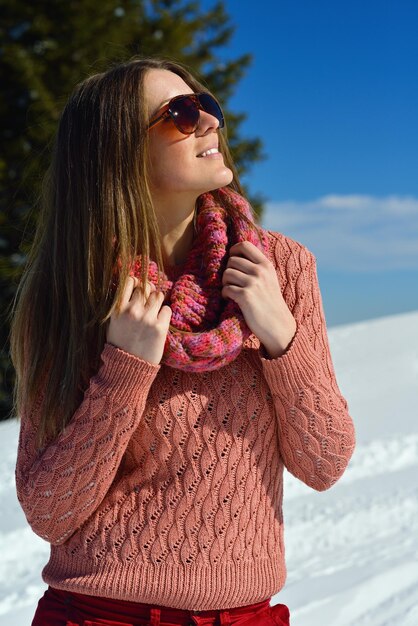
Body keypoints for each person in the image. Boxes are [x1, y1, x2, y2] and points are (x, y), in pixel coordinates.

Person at [10, 57, 356, 626]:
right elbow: (49, 511)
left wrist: (281, 339)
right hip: (100, 615)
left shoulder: (281, 268)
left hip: (246, 616)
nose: (211, 123)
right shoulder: (75, 291)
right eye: (181, 114)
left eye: (207, 105)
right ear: (118, 150)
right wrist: (124, 371)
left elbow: (325, 462)